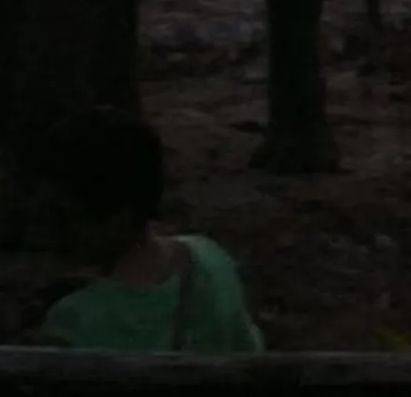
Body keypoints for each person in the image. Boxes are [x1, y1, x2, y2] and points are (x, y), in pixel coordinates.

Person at [34, 111, 264, 353]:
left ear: (119, 214)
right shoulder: (211, 259)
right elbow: (250, 353)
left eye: (62, 217)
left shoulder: (72, 321)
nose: (50, 232)